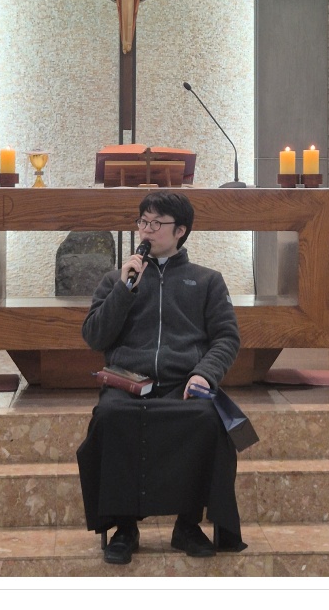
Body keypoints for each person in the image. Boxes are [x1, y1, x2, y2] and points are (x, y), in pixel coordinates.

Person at [76, 190, 246, 565]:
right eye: (143, 222)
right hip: (127, 383)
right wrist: (124, 290)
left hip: (182, 384)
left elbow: (226, 338)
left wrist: (205, 374)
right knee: (110, 416)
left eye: (157, 223)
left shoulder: (207, 281)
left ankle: (187, 525)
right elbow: (95, 337)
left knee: (207, 419)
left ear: (180, 230)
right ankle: (124, 528)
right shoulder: (116, 280)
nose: (147, 230)